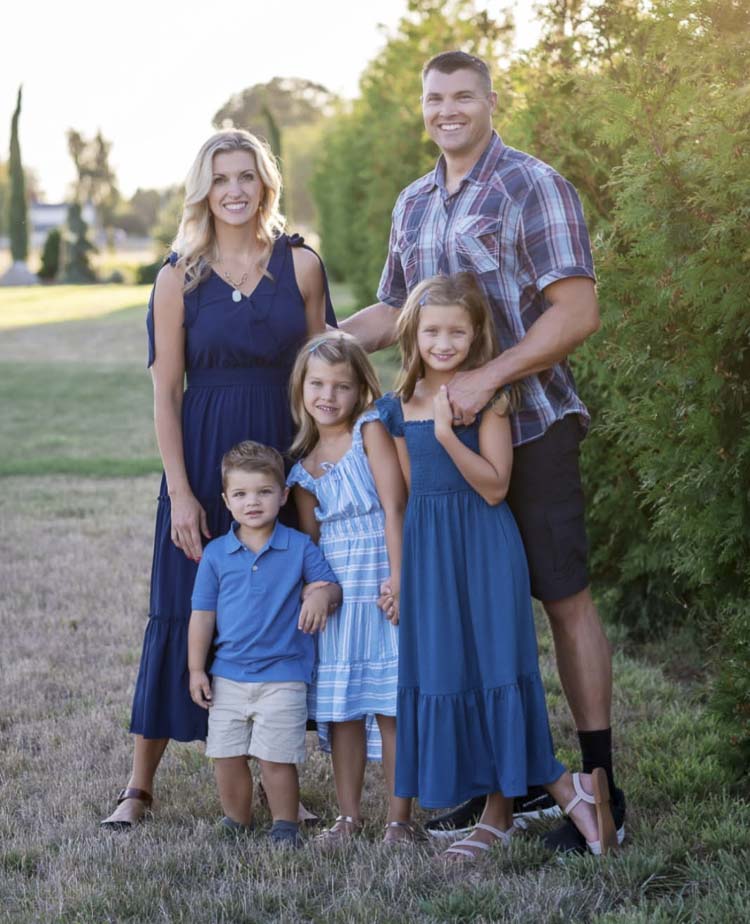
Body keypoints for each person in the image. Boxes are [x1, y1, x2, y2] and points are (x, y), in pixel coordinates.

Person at [342, 50, 623, 852]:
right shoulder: (414, 201)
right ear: (422, 107)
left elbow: (576, 312)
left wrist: (487, 380)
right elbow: (395, 308)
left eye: (463, 96)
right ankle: (497, 781)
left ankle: (603, 791)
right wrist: (325, 341)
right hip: (439, 453)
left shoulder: (532, 185)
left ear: (491, 101)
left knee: (562, 600)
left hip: (528, 427)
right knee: (467, 617)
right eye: (435, 98)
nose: (447, 110)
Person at [101, 129, 336, 828]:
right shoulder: (178, 276)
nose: (235, 189)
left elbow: (324, 368)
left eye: (247, 176)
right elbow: (165, 392)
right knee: (181, 607)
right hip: (203, 464)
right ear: (203, 189)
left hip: (283, 456)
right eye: (221, 177)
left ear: (266, 182)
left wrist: (319, 470)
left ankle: (273, 775)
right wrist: (179, 491)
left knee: (275, 612)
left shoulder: (301, 265)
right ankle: (139, 786)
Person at [375, 272, 617, 862]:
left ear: (477, 336)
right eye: (432, 330)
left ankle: (554, 795)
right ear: (413, 334)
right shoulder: (393, 410)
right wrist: (401, 577)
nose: (443, 342)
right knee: (454, 675)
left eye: (457, 331)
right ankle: (552, 798)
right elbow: (402, 502)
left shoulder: (489, 399)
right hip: (431, 555)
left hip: (485, 548)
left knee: (498, 674)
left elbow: (493, 487)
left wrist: (448, 434)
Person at [286, 332, 418, 846]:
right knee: (341, 710)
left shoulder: (371, 431)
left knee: (389, 705)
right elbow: (311, 548)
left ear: (360, 388)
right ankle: (347, 817)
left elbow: (395, 507)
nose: (328, 396)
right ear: (301, 390)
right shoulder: (302, 468)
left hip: (382, 582)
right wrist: (318, 591)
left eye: (341, 386)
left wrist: (400, 577)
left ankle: (398, 819)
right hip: (340, 595)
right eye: (317, 384)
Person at [187, 442, 341, 845]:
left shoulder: (298, 547)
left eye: (263, 492)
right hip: (228, 676)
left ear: (283, 495)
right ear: (226, 501)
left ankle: (284, 824)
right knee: (226, 754)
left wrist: (321, 595)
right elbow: (202, 616)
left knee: (277, 756)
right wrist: (196, 669)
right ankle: (236, 819)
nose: (252, 502)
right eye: (240, 494)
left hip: (284, 674)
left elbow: (330, 586)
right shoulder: (217, 554)